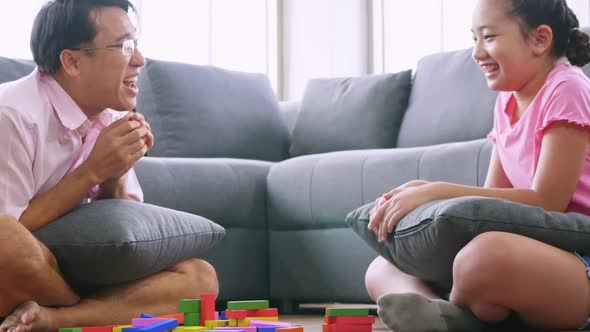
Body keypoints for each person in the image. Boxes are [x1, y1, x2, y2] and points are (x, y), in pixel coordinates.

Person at [365, 0, 590, 331]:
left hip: (576, 257)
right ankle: (442, 315)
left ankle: (459, 315)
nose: (477, 53)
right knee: (382, 267)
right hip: (529, 253)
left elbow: (548, 202)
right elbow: (492, 200)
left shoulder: (566, 87)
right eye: (474, 39)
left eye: (489, 37)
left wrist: (435, 192)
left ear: (540, 40)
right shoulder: (506, 102)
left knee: (482, 259)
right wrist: (427, 195)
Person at [0, 1, 219, 331]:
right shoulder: (12, 115)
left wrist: (116, 172)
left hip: (70, 267)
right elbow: (12, 228)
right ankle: (93, 310)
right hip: (26, 264)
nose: (140, 60)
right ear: (71, 61)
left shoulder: (111, 116)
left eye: (137, 44)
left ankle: (54, 318)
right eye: (124, 46)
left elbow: (125, 240)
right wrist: (91, 171)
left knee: (200, 278)